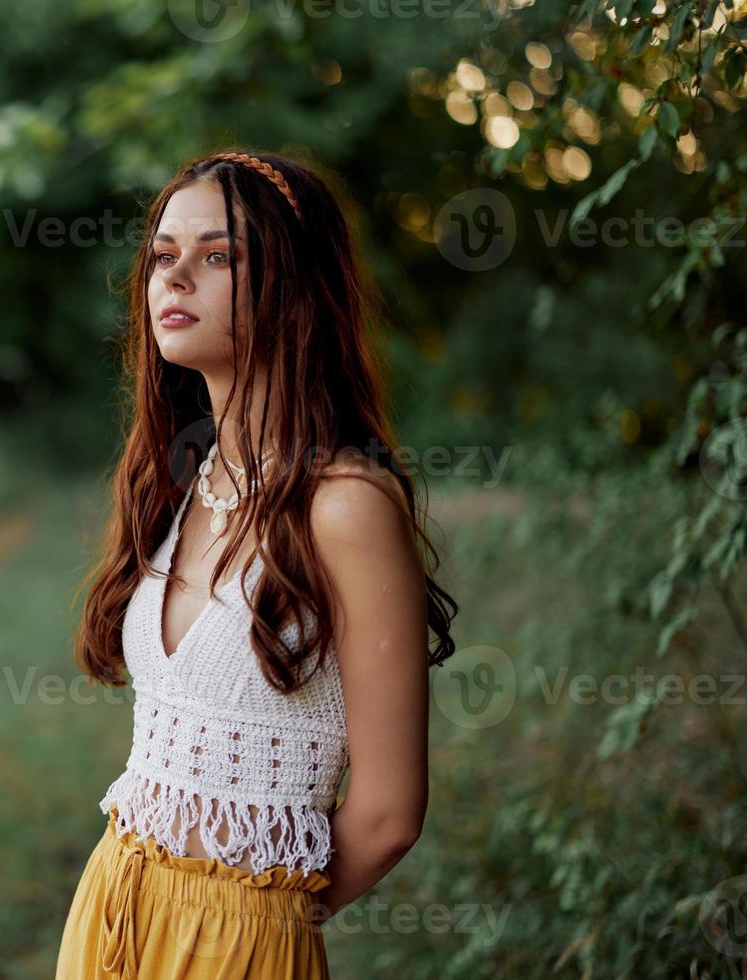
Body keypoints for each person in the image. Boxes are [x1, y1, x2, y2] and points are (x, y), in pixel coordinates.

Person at [55, 148, 459, 979]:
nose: (174, 279)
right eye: (164, 257)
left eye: (217, 257)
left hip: (243, 936)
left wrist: (254, 920)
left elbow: (387, 815)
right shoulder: (184, 474)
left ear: (293, 288)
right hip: (110, 905)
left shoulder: (344, 504)